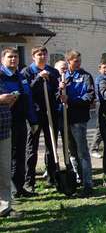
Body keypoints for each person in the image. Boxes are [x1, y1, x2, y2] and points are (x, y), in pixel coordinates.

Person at [0, 48, 38, 197]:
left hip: (20, 121)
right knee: (5, 158)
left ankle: (19, 188)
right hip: (4, 122)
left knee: (20, 155)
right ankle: (7, 191)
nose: (13, 60)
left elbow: (28, 99)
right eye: (10, 57)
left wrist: (33, 120)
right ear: (3, 59)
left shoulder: (20, 77)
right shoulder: (1, 76)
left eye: (15, 57)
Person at [22, 46, 60, 191]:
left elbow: (56, 91)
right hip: (34, 114)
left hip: (51, 113)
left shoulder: (53, 71)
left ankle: (52, 178)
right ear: (33, 57)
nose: (42, 57)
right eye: (39, 54)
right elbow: (26, 92)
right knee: (32, 149)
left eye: (44, 54)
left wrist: (60, 92)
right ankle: (29, 182)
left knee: (52, 147)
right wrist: (39, 78)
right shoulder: (27, 72)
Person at [61, 50, 95, 197]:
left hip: (79, 119)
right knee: (71, 152)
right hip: (64, 118)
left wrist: (72, 100)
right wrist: (59, 91)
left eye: (80, 61)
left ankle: (88, 184)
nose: (79, 63)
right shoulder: (62, 76)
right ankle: (78, 178)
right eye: (76, 61)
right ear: (69, 61)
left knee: (82, 152)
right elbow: (56, 97)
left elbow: (89, 95)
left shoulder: (85, 76)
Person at [0, 72, 19, 217]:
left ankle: (5, 207)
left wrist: (10, 100)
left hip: (4, 131)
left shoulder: (2, 81)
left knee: (4, 171)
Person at [90, 62, 106, 159]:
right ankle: (93, 149)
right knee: (100, 127)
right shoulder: (100, 79)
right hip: (101, 104)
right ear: (100, 69)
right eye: (104, 67)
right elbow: (103, 93)